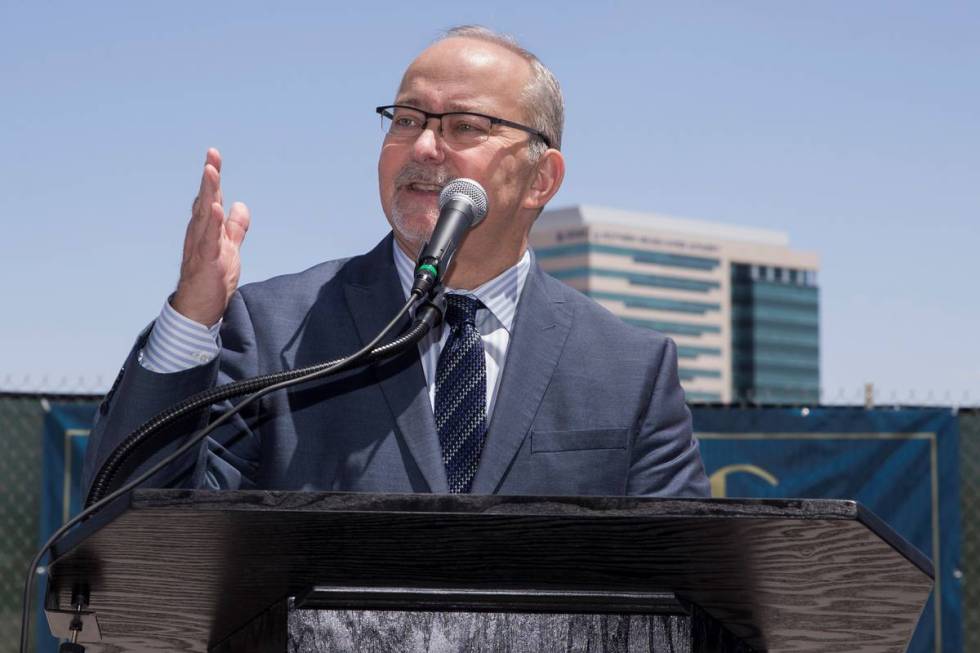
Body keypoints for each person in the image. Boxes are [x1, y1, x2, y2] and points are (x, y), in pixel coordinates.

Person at [82, 26, 709, 498]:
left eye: (465, 126)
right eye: (407, 119)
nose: (425, 146)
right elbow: (132, 520)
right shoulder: (274, 331)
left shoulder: (631, 372)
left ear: (542, 178)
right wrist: (191, 320)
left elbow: (688, 593)